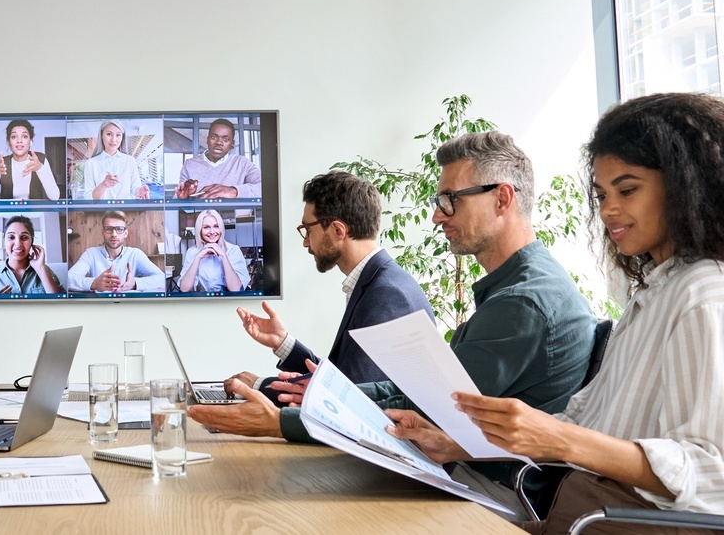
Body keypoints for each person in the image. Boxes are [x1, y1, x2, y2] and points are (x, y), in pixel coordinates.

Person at [388, 93, 724, 533]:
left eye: (627, 190)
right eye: (602, 194)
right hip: (582, 510)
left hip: (623, 522)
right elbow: (581, 422)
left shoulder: (702, 294)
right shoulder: (653, 293)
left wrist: (559, 438)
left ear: (685, 186)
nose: (608, 210)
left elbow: (710, 471)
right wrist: (458, 446)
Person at [190, 132, 596, 491]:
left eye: (449, 201)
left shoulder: (522, 302)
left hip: (486, 487)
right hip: (467, 472)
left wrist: (283, 418)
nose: (437, 215)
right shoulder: (515, 290)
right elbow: (417, 393)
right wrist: (311, 393)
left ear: (503, 198)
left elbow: (427, 408)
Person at [225, 171, 433, 397]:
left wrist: (257, 385)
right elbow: (342, 379)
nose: (306, 242)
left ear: (337, 230)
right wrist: (283, 342)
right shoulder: (378, 281)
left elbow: (348, 400)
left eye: (308, 230)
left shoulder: (386, 294)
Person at [67, 211, 165, 293]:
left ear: (125, 233)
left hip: (127, 308)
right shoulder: (90, 254)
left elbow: (161, 279)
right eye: (109, 229)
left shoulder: (135, 254)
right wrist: (93, 283)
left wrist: (135, 283)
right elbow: (68, 279)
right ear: (103, 232)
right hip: (99, 308)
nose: (114, 234)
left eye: (119, 229)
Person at [174, 118, 262, 199]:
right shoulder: (190, 164)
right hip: (200, 216)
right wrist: (184, 198)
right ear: (207, 140)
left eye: (226, 139)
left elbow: (264, 188)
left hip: (235, 217)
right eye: (214, 137)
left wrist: (233, 191)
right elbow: (179, 196)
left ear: (232, 144)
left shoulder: (242, 163)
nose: (219, 142)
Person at [0, 119, 61, 200]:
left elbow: (55, 196)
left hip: (36, 215)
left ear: (30, 140)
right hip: (9, 215)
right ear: (8, 142)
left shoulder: (40, 159)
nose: (19, 140)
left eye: (24, 136)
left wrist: (40, 168)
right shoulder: (3, 162)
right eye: (14, 137)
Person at [0, 215, 65, 294]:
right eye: (11, 237)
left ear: (32, 242)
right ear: (4, 242)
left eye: (24, 237)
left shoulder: (44, 270)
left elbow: (61, 305)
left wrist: (40, 268)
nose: (18, 243)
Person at [177, 209, 250, 293]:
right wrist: (198, 258)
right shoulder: (192, 252)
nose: (212, 232)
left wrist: (223, 256)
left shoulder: (233, 250)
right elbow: (184, 289)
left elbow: (236, 289)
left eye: (216, 226)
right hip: (204, 301)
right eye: (206, 227)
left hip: (228, 302)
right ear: (199, 230)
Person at [80, 119, 149, 200]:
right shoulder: (91, 163)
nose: (113, 139)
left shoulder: (130, 161)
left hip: (127, 211)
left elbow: (135, 188)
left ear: (122, 137)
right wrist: (103, 185)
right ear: (101, 135)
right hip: (102, 212)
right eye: (109, 134)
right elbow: (88, 198)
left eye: (118, 135)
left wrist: (139, 191)